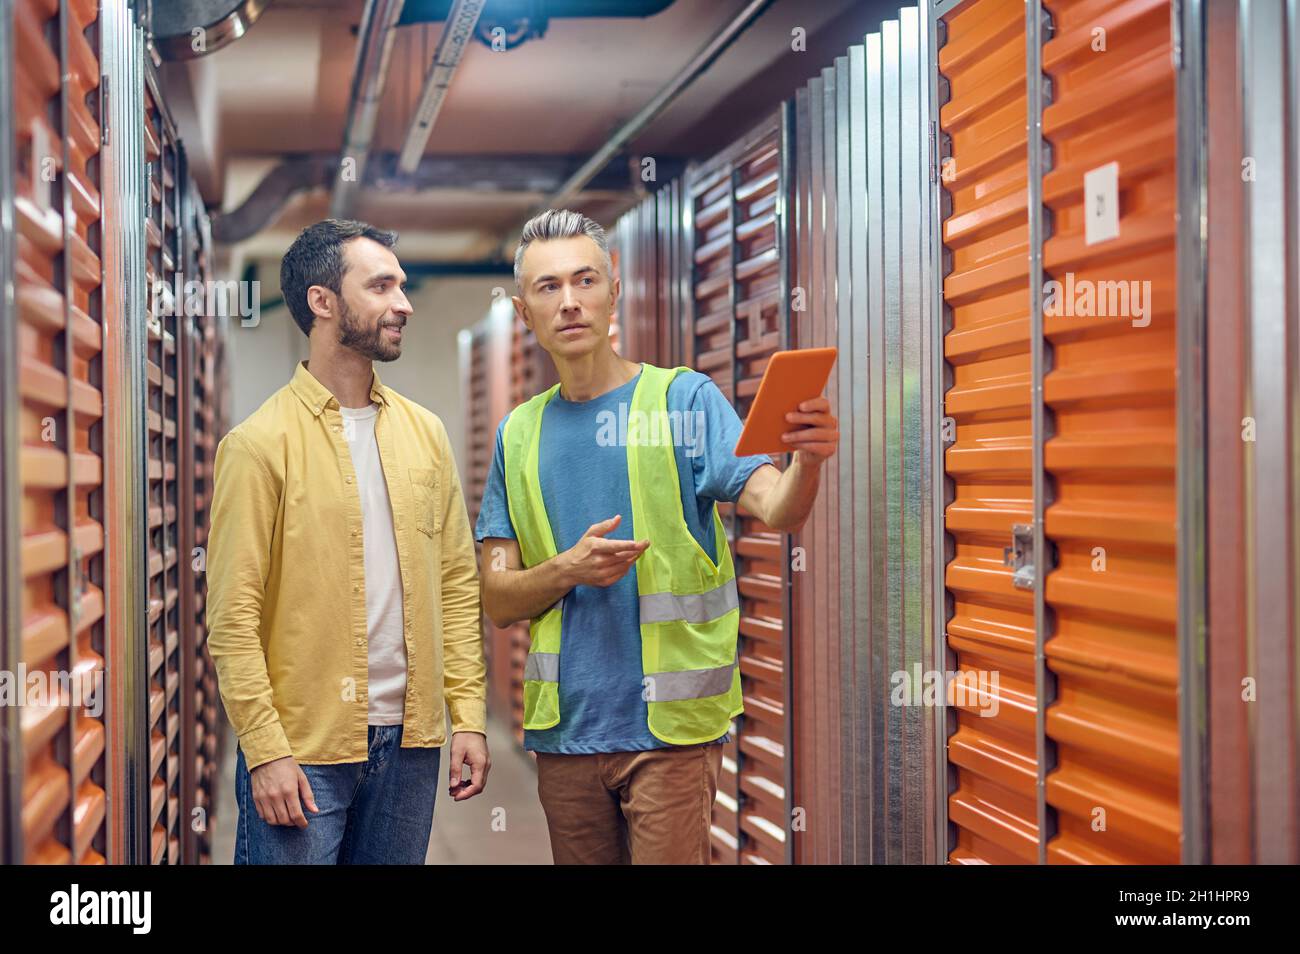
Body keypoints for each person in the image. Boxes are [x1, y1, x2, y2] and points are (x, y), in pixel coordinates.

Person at [476, 209, 838, 864]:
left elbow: (777, 509)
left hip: (669, 737)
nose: (569, 302)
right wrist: (569, 570)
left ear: (613, 292)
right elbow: (498, 599)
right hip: (567, 735)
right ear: (525, 312)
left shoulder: (684, 402)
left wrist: (807, 462)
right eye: (548, 287)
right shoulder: (517, 436)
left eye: (585, 281)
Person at [207, 218, 489, 864]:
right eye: (383, 286)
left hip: (410, 748)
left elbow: (455, 584)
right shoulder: (256, 447)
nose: (404, 304)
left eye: (403, 286)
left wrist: (467, 714)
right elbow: (231, 617)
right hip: (303, 750)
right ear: (323, 302)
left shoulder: (426, 436)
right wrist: (265, 747)